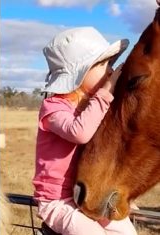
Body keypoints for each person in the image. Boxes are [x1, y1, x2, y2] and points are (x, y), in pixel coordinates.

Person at [32, 27, 137, 235]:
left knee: (127, 232)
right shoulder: (53, 107)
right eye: (102, 64)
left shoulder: (92, 108)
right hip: (56, 200)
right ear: (79, 72)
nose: (109, 71)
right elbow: (79, 132)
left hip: (89, 194)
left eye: (110, 64)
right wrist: (106, 92)